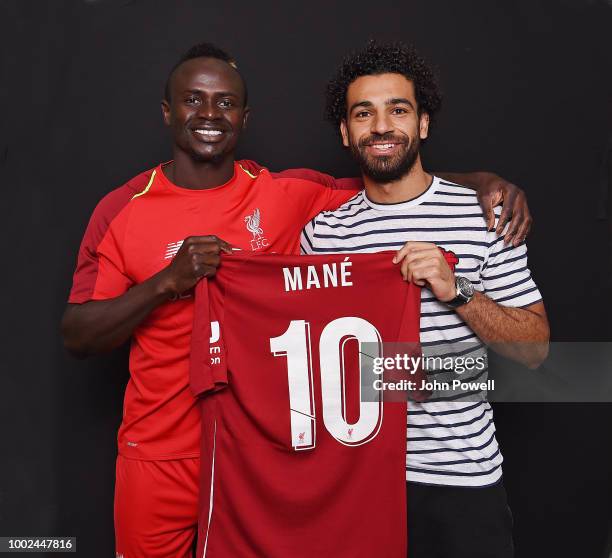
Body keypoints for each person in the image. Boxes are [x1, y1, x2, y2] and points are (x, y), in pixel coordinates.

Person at [61, 42, 533, 557]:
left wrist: (483, 183)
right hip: (161, 452)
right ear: (167, 110)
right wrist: (164, 283)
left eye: (225, 103)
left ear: (244, 115)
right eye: (193, 100)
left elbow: (387, 172)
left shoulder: (289, 196)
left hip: (258, 455)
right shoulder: (123, 209)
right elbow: (78, 334)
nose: (209, 115)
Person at [299, 40, 550, 557]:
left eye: (399, 109)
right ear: (347, 132)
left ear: (423, 123)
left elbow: (535, 348)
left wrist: (457, 290)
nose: (382, 126)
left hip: (460, 481)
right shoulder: (322, 237)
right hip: (357, 479)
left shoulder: (483, 216)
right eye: (363, 113)